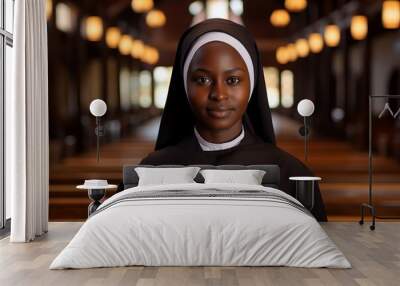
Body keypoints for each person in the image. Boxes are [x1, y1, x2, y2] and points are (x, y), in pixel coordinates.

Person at [140, 18, 327, 221]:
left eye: (233, 80)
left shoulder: (292, 174)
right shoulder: (151, 171)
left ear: (252, 85)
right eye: (202, 80)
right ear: (185, 86)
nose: (219, 94)